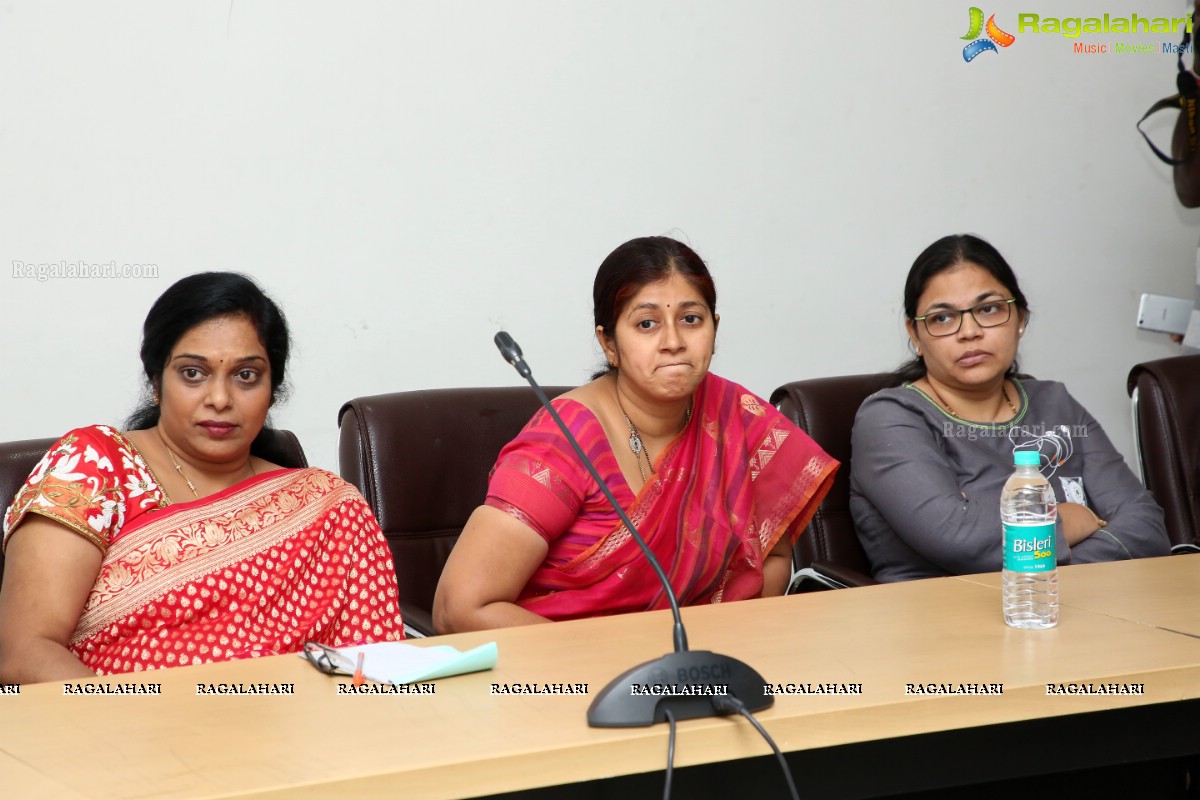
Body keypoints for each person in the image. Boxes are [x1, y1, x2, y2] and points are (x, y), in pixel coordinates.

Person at [0, 273, 404, 682]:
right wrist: (139, 734)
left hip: (291, 731)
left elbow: (368, 671)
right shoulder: (93, 465)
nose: (220, 399)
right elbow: (25, 652)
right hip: (115, 730)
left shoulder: (325, 506)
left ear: (273, 388)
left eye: (246, 376)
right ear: (156, 382)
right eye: (193, 373)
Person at [433, 236, 837, 632]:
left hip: (699, 670)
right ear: (609, 343)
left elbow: (770, 557)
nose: (674, 342)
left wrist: (713, 658)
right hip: (567, 674)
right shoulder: (564, 440)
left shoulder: (735, 415)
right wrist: (616, 665)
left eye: (691, 319)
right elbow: (461, 606)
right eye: (646, 324)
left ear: (714, 329)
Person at [849, 235, 1170, 582]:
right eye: (942, 318)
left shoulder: (1055, 402)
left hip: (1076, 612)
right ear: (915, 334)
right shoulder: (890, 419)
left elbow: (1146, 528)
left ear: (1020, 318)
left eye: (988, 309)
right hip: (939, 623)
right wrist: (1068, 519)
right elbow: (963, 541)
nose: (969, 332)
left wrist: (1037, 573)